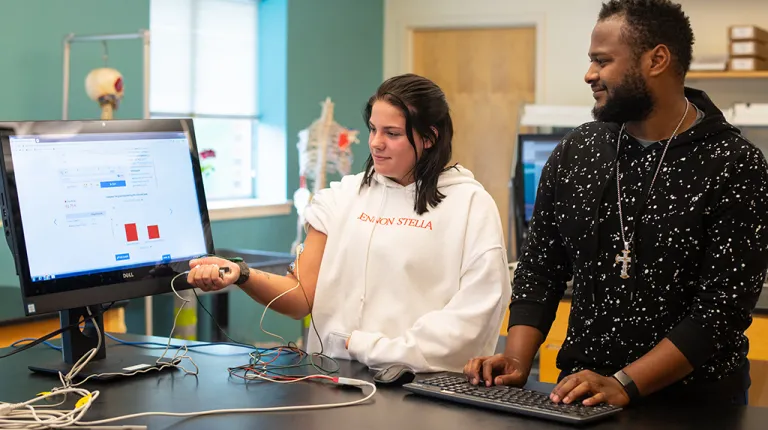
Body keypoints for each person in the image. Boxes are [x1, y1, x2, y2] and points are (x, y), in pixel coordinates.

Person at [464, 0, 768, 407]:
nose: (590, 74)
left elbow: (720, 312)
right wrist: (517, 359)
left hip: (695, 406)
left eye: (602, 61)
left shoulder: (734, 164)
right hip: (579, 398)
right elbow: (540, 269)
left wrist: (624, 383)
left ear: (656, 59)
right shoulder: (578, 150)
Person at [188, 73, 511, 373]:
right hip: (335, 374)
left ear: (429, 137)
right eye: (373, 129)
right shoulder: (342, 198)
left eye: (392, 133)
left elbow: (475, 314)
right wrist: (240, 274)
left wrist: (373, 347)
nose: (375, 143)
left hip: (422, 380)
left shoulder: (468, 204)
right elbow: (300, 297)